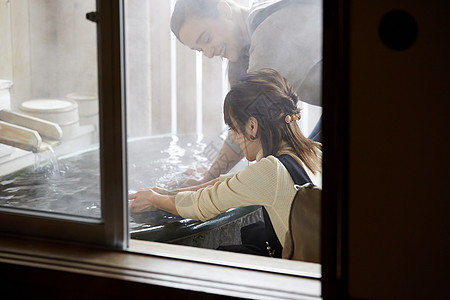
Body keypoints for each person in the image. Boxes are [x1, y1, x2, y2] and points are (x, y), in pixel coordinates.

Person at [129, 69, 321, 257]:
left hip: (301, 275)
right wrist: (166, 193)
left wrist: (155, 200)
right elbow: (230, 182)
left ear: (252, 126)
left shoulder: (271, 171)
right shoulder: (315, 151)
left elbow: (202, 205)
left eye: (233, 128)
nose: (233, 137)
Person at [170, 0, 322, 185]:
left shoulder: (269, 33)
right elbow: (238, 127)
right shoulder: (252, 29)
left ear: (224, 9)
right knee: (302, 166)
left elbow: (244, 121)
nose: (208, 53)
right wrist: (211, 168)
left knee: (303, 173)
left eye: (207, 38)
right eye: (200, 49)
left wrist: (207, 179)